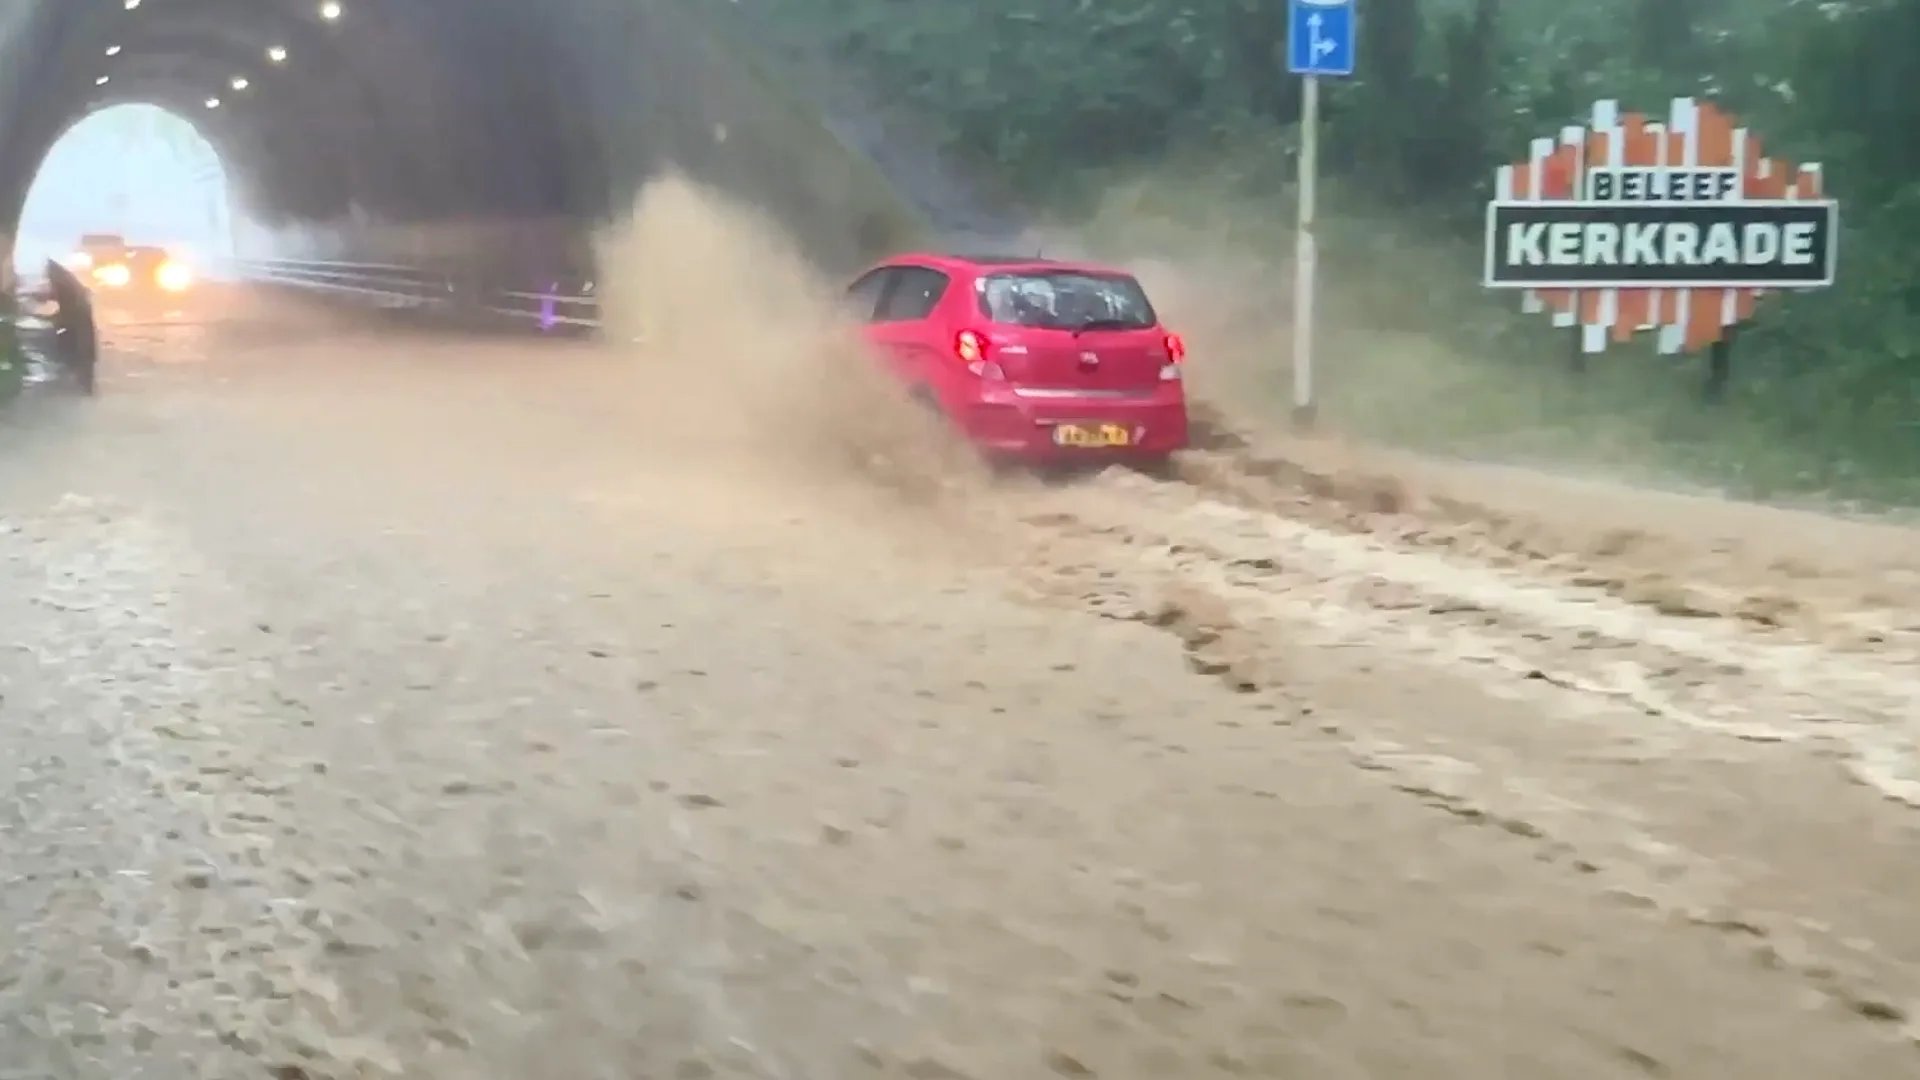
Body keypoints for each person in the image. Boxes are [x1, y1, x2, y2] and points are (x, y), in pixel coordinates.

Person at [43, 258, 97, 394]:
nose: (48, 280)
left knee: (78, 361)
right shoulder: (68, 283)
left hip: (79, 333)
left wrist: (52, 319)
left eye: (48, 276)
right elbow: (56, 298)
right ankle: (83, 389)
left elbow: (70, 312)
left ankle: (82, 391)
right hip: (81, 330)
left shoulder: (65, 286)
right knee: (82, 363)